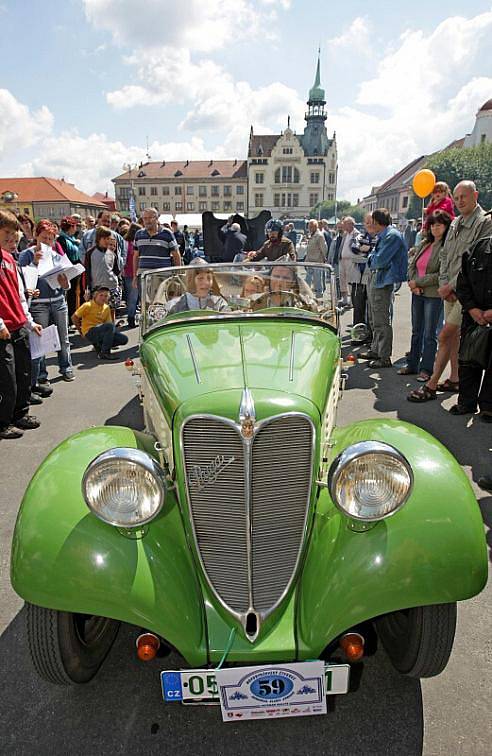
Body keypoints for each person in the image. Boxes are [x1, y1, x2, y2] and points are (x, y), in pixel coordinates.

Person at [408, 181, 492, 402]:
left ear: (475, 195)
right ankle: (454, 379)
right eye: (456, 197)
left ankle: (431, 384)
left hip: (468, 292)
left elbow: (476, 261)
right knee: (453, 338)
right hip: (449, 291)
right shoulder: (454, 223)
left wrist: (452, 286)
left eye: (464, 196)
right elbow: (445, 256)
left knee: (444, 335)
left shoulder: (484, 223)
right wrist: (445, 285)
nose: (460, 201)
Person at [0, 210, 43, 439]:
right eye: (6, 232)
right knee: (7, 380)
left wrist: (29, 320)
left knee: (23, 373)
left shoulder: (9, 257)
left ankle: (20, 414)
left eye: (13, 233)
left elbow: (18, 294)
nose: (11, 237)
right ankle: (2, 422)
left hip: (18, 325)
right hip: (3, 329)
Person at [19, 219, 74, 385]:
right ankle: (42, 375)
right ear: (36, 236)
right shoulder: (26, 255)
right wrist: (35, 263)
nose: (48, 243)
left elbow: (66, 285)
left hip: (58, 301)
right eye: (44, 238)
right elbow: (24, 281)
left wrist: (65, 282)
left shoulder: (57, 256)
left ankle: (66, 367)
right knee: (40, 341)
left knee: (63, 338)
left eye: (51, 239)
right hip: (38, 304)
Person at [401, 211, 451, 384]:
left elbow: (440, 274)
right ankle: (412, 364)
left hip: (432, 295)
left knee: (429, 334)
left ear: (446, 227)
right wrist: (413, 283)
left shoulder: (446, 247)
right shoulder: (425, 243)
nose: (435, 228)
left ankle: (426, 370)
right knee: (416, 331)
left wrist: (418, 283)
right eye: (432, 225)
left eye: (439, 225)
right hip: (418, 293)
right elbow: (412, 265)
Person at [448, 231, 492, 419]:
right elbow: (462, 282)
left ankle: (489, 407)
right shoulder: (476, 249)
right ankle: (466, 403)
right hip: (473, 316)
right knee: (467, 360)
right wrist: (473, 309)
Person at [359, 208, 408, 368]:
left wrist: (371, 258)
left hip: (383, 280)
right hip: (378, 278)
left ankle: (384, 356)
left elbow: (378, 260)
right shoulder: (384, 235)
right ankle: (376, 349)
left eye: (372, 221)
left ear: (377, 222)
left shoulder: (391, 236)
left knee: (381, 320)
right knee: (374, 318)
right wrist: (372, 258)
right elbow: (374, 257)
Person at [72, 287, 128, 360]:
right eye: (101, 295)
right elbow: (74, 317)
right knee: (109, 327)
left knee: (124, 339)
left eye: (106, 296)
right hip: (89, 331)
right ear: (95, 295)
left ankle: (99, 345)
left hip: (100, 330)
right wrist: (80, 332)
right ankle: (105, 353)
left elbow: (109, 325)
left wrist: (117, 327)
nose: (103, 298)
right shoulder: (88, 305)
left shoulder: (106, 307)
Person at [133, 208, 181, 291]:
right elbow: (135, 257)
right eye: (145, 218)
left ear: (156, 218)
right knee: (144, 303)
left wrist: (177, 276)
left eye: (150, 218)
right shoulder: (138, 234)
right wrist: (134, 276)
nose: (148, 221)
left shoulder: (167, 233)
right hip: (144, 276)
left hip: (163, 277)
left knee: (162, 302)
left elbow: (176, 255)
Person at [84, 226, 121, 318]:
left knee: (111, 312)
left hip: (112, 287)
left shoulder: (112, 253)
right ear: (98, 238)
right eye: (104, 238)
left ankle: (111, 329)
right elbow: (87, 272)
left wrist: (119, 284)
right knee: (98, 313)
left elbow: (116, 271)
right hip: (97, 288)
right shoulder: (90, 253)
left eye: (108, 239)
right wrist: (87, 288)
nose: (107, 241)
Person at [350, 212, 375, 334]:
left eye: (371, 222)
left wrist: (366, 249)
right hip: (357, 278)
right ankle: (358, 333)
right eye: (367, 222)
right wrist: (366, 250)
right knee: (358, 307)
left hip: (371, 277)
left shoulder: (379, 238)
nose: (369, 224)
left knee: (371, 309)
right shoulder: (359, 237)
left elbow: (373, 250)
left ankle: (370, 335)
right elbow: (353, 248)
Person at [58, 216, 82, 321]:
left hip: (76, 268)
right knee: (70, 295)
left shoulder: (72, 239)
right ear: (71, 227)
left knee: (76, 293)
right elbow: (63, 255)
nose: (76, 228)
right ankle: (71, 317)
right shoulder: (62, 239)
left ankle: (75, 315)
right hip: (68, 269)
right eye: (75, 226)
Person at [122, 222, 141, 328]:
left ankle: (131, 317)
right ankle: (131, 318)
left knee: (132, 297)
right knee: (134, 297)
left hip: (129, 272)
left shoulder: (126, 242)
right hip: (132, 272)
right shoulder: (130, 243)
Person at [337, 216, 359, 307]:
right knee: (342, 280)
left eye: (345, 224)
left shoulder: (356, 234)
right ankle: (345, 299)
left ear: (351, 224)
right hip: (343, 260)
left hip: (351, 260)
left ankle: (351, 301)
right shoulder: (345, 234)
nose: (343, 226)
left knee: (350, 280)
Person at [305, 219, 327, 296]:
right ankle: (306, 293)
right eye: (309, 227)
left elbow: (324, 248)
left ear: (314, 227)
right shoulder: (311, 235)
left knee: (317, 279)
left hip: (317, 260)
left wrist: (324, 258)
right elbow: (308, 249)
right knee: (308, 279)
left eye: (310, 227)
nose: (309, 228)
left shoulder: (319, 235)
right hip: (310, 260)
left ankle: (319, 293)